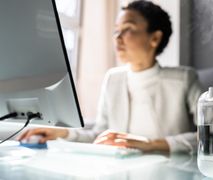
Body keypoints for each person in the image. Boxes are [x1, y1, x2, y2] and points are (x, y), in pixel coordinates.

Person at [18, 0, 202, 153]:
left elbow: (211, 135)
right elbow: (100, 133)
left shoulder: (184, 79)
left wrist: (150, 144)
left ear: (154, 38)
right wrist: (62, 133)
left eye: (128, 28)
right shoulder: (113, 79)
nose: (117, 37)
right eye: (116, 30)